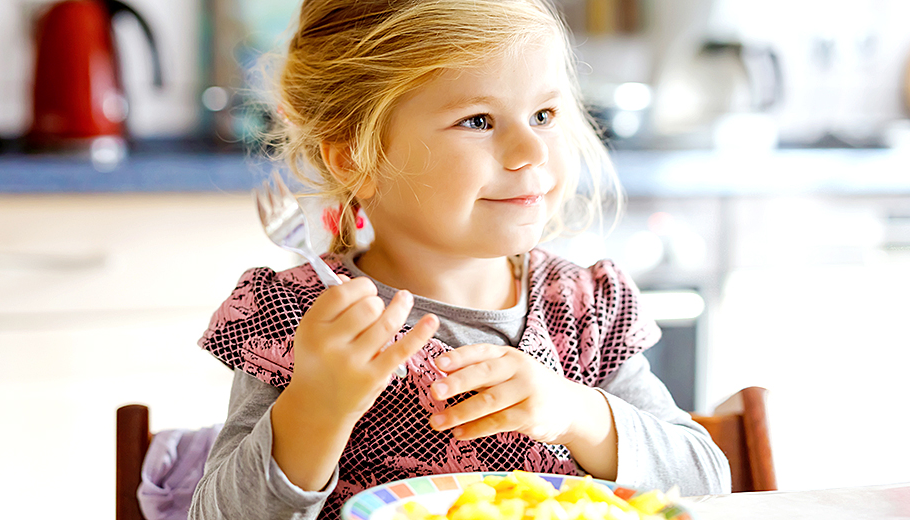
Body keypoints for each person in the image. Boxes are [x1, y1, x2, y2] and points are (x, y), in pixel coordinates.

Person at [189, 1, 731, 519]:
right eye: (478, 121)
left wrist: (576, 414)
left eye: (543, 114)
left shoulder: (584, 309)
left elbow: (706, 482)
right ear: (356, 156)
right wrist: (315, 409)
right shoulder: (297, 319)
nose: (533, 151)